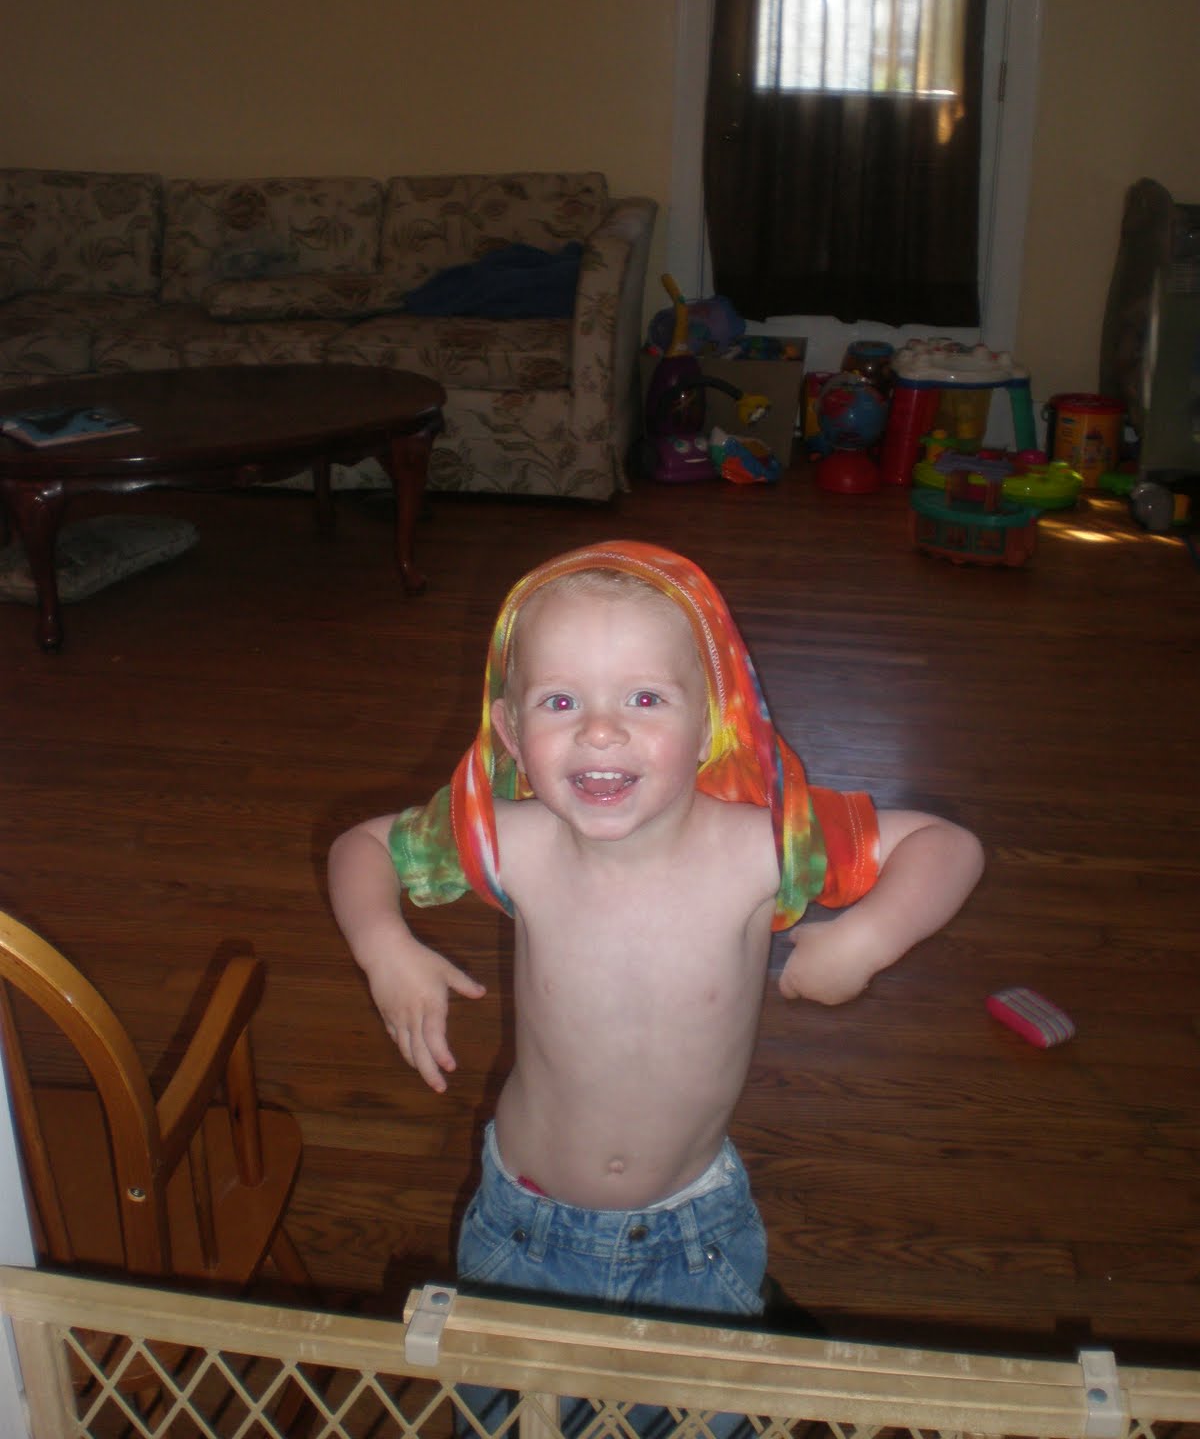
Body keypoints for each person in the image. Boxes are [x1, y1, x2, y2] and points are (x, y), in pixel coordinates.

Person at [328, 540, 983, 1409]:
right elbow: (364, 846)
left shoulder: (758, 850)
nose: (600, 730)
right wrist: (385, 947)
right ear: (513, 732)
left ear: (713, 721)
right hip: (522, 1233)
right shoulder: (515, 841)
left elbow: (945, 845)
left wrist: (868, 939)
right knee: (509, 1422)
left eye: (644, 698)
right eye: (561, 701)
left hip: (692, 1239)